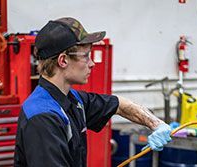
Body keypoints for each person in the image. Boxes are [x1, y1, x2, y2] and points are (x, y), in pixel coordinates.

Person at [14, 17, 172, 167]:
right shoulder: (42, 117)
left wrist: (157, 125)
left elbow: (119, 105)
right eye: (86, 56)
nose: (92, 63)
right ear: (63, 60)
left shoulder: (74, 100)